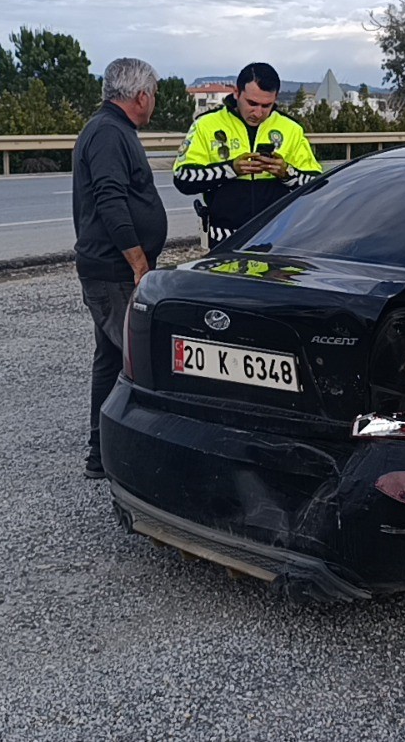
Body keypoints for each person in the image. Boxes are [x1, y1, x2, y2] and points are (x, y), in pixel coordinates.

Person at [71, 58, 168, 480]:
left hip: (111, 270)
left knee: (110, 360)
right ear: (141, 95)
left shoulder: (112, 129)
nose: (154, 104)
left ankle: (101, 453)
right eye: (154, 96)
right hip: (114, 271)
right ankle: (137, 459)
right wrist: (139, 262)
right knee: (139, 360)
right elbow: (110, 201)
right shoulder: (109, 133)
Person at [173, 63, 321, 245]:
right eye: (251, 103)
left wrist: (287, 173)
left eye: (266, 105)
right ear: (236, 93)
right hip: (225, 240)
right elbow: (183, 179)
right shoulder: (206, 125)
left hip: (277, 239)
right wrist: (231, 169)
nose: (258, 113)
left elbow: (317, 186)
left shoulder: (290, 129)